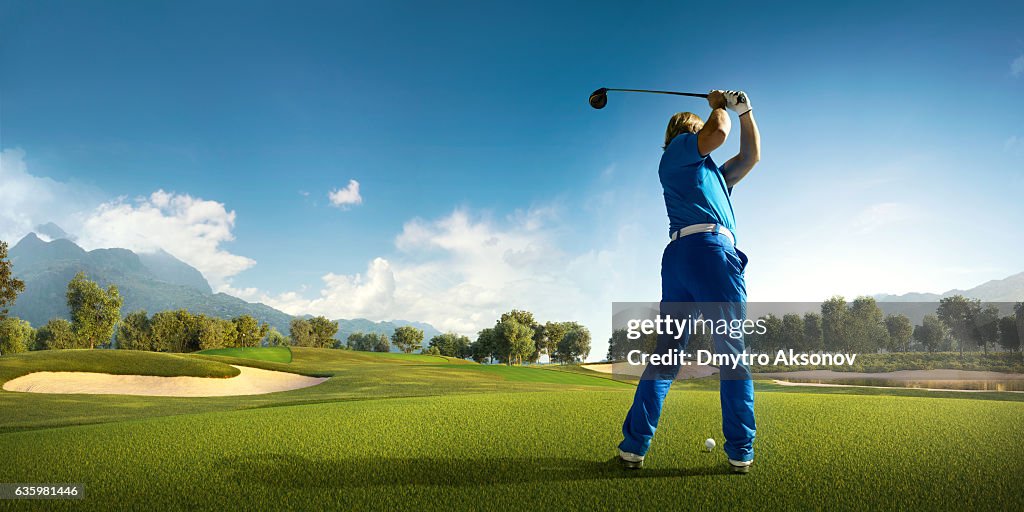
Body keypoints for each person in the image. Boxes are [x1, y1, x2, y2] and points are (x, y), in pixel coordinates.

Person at [617, 89, 761, 473]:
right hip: (708, 253)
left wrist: (745, 111)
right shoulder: (681, 150)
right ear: (687, 131)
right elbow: (717, 132)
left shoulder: (711, 173)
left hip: (681, 258)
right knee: (732, 354)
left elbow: (751, 157)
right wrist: (720, 105)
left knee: (667, 356)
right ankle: (741, 450)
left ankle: (634, 446)